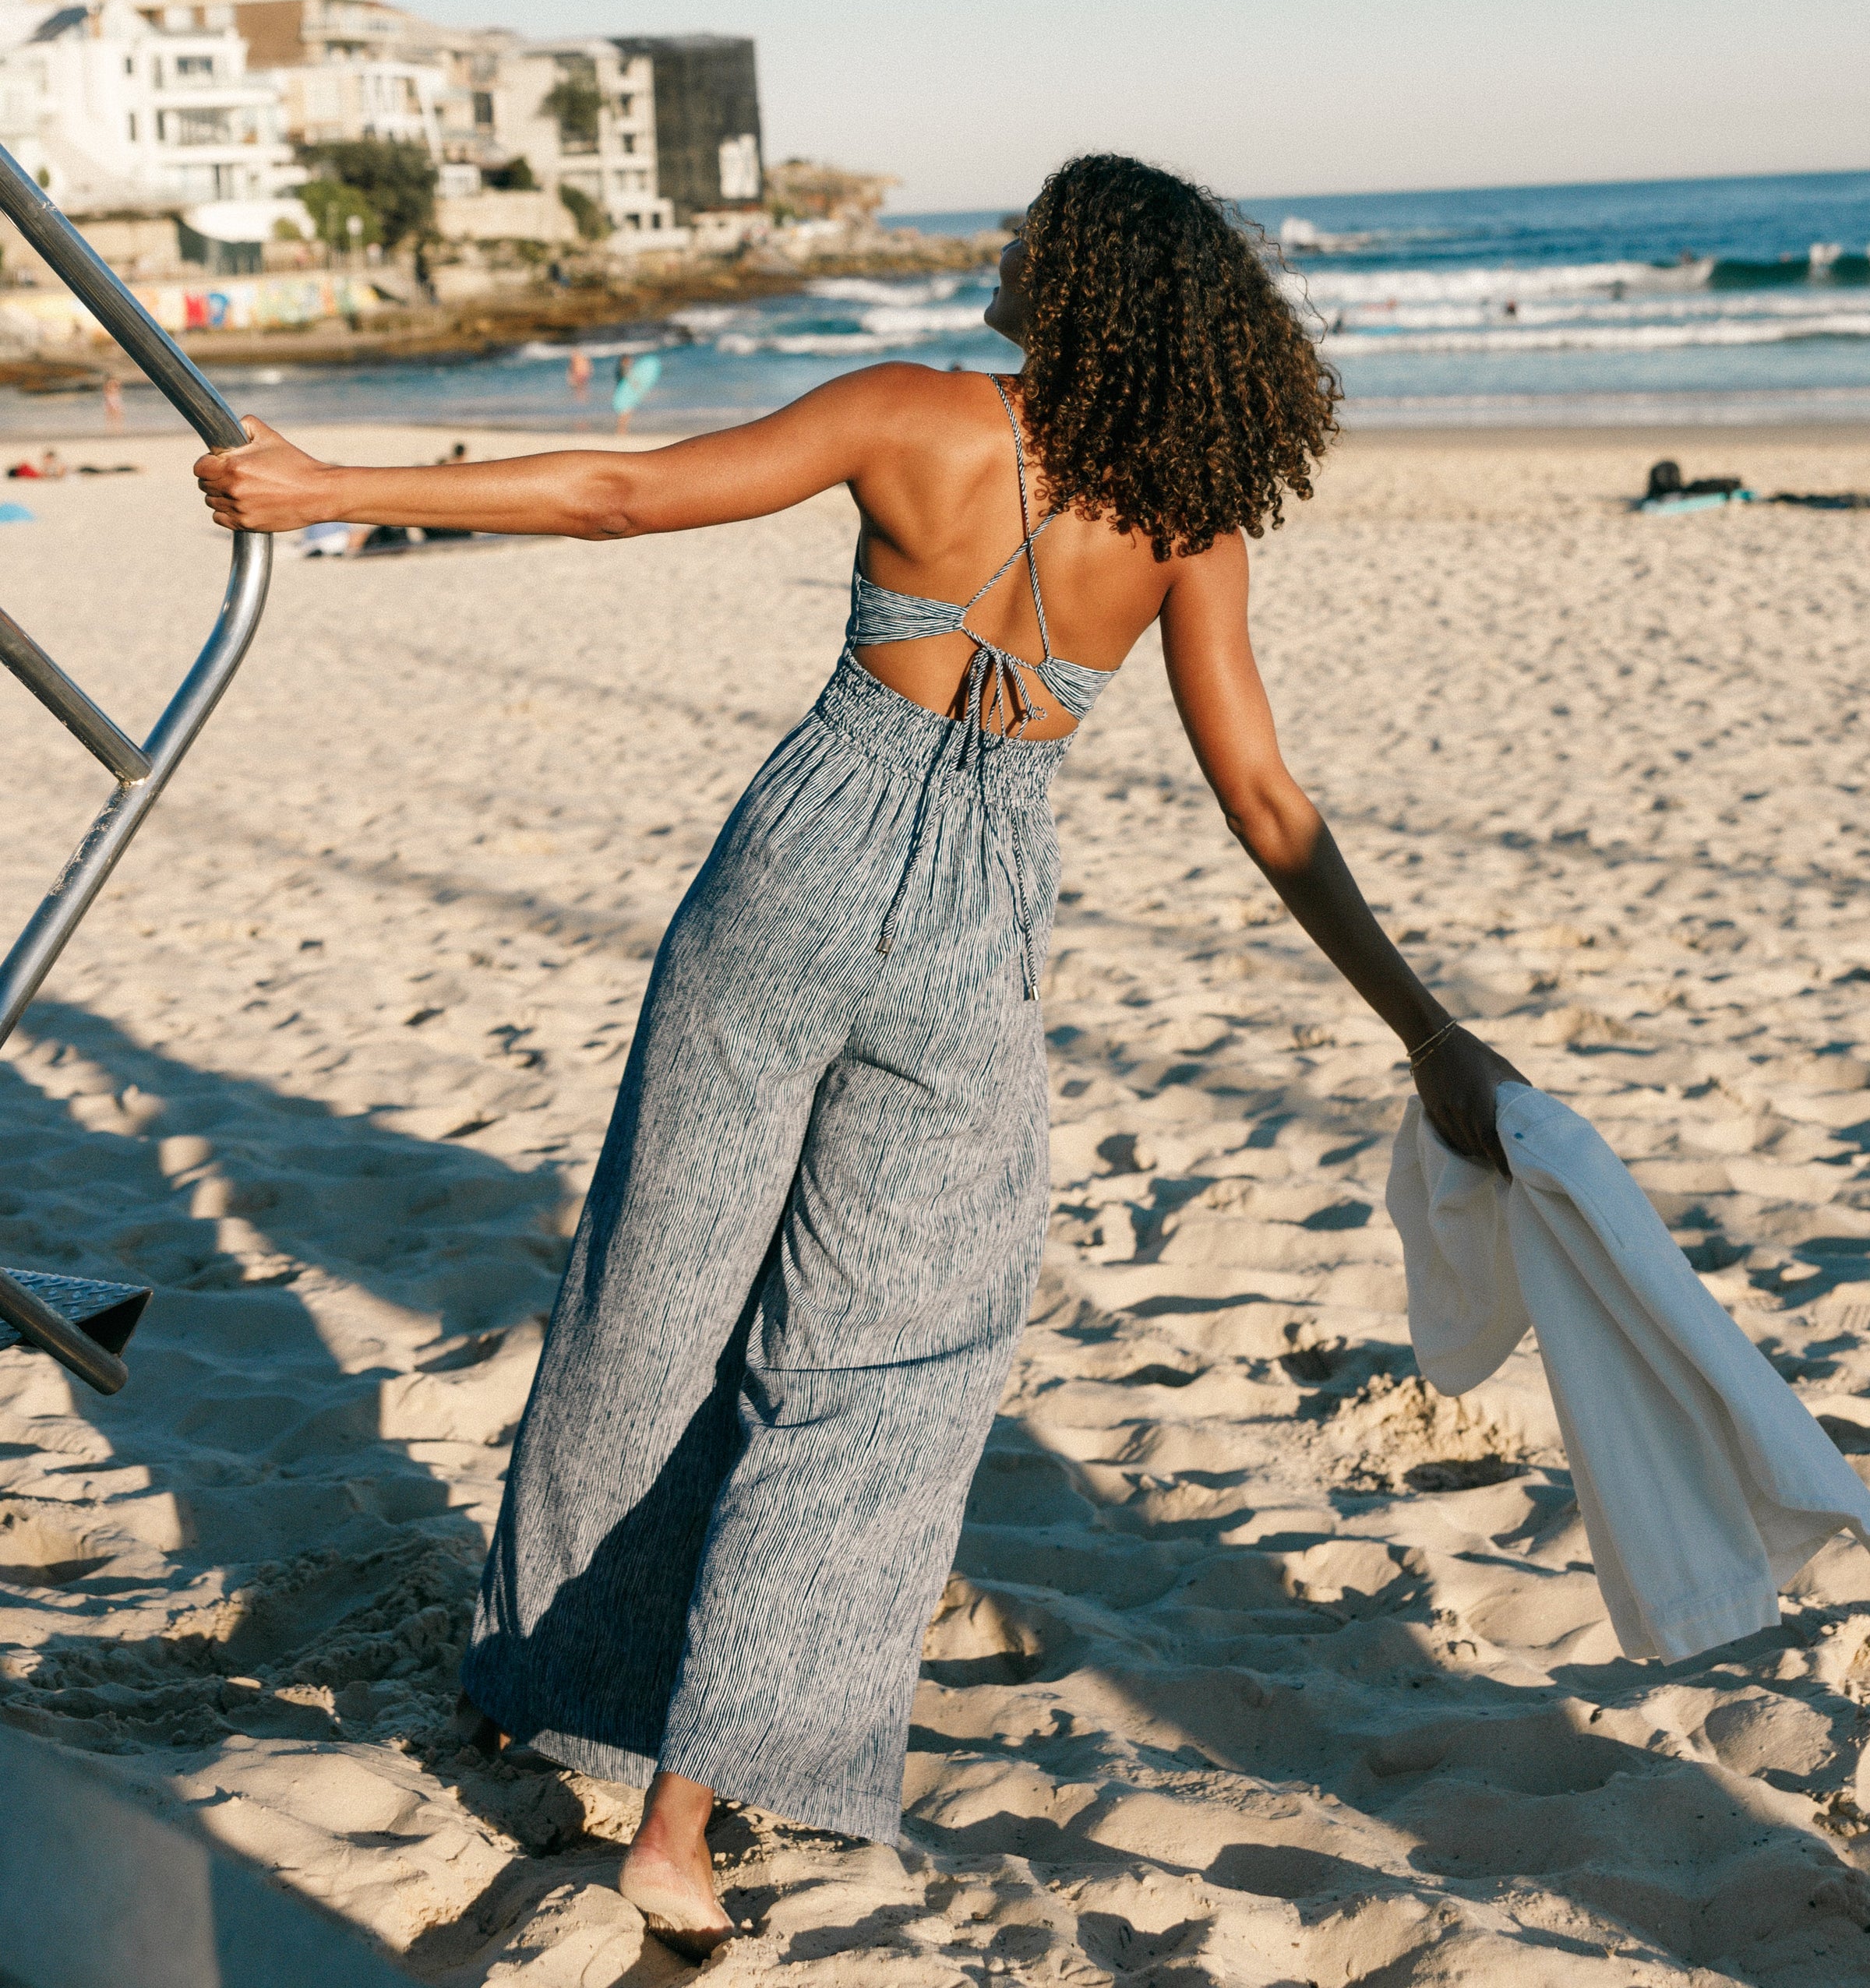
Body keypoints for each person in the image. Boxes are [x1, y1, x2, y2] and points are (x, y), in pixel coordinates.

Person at [192, 154, 1523, 1959]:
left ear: (1074, 287)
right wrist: (1421, 1023)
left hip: (799, 857)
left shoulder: (916, 418)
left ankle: (540, 1684)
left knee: (656, 1292)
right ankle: (680, 1817)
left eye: (1021, 237)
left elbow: (613, 490)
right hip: (982, 913)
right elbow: (1264, 800)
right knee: (886, 1364)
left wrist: (323, 486)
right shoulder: (1192, 518)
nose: (993, 252)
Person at [611, 349, 662, 429]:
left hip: (623, 394)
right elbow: (629, 382)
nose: (631, 361)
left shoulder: (621, 369)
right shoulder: (625, 369)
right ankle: (621, 430)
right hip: (625, 396)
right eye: (629, 359)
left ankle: (622, 430)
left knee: (625, 413)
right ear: (625, 360)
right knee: (625, 413)